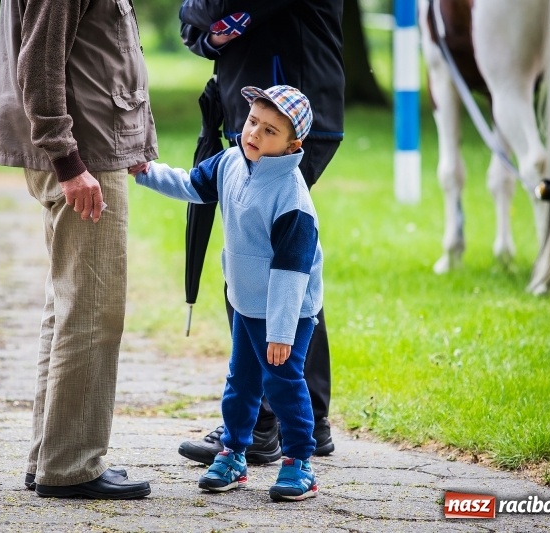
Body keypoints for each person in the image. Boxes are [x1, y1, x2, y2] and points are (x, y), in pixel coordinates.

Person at [0, 0, 157, 500]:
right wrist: (69, 162)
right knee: (91, 310)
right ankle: (70, 467)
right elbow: (39, 60)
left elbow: (104, 47)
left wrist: (138, 140)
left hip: (91, 146)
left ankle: (51, 456)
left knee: (69, 306)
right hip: (83, 155)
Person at [130, 85, 322, 502]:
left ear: (293, 143)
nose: (254, 133)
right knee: (242, 380)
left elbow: (292, 273)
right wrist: (146, 172)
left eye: (270, 131)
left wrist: (282, 333)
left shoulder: (292, 198)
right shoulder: (232, 161)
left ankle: (299, 463)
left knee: (283, 381)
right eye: (253, 121)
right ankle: (233, 454)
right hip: (245, 301)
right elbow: (192, 185)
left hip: (287, 313)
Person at [177, 0, 345, 464]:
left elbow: (213, 9)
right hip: (255, 117)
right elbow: (193, 32)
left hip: (290, 119)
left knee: (274, 259)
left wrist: (205, 20)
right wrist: (205, 28)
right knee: (284, 258)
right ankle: (310, 415)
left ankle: (263, 422)